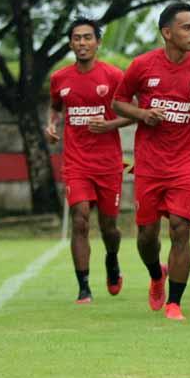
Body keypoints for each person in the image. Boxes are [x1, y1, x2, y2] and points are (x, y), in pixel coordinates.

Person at [112, 2, 190, 320]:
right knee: (147, 235)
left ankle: (175, 303)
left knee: (180, 229)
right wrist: (142, 114)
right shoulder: (142, 65)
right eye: (186, 27)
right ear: (167, 32)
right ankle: (155, 274)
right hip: (149, 164)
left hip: (187, 164)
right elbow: (118, 102)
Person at [47, 18, 131, 304]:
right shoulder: (60, 78)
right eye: (76, 38)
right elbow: (55, 108)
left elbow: (135, 113)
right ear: (70, 43)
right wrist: (52, 125)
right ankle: (83, 287)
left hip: (108, 164)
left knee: (109, 227)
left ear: (97, 42)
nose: (82, 43)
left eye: (87, 38)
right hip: (76, 163)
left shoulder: (113, 76)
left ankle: (112, 258)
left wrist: (110, 125)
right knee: (80, 219)